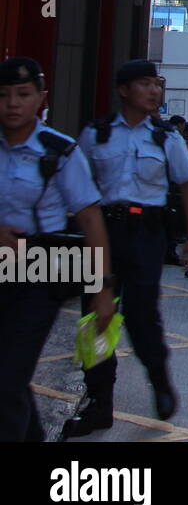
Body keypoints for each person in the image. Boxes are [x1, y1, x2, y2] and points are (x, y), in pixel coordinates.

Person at [64, 59, 188, 438]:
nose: (155, 91)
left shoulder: (166, 137)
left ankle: (159, 380)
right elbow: (76, 182)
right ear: (124, 90)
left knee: (143, 316)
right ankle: (98, 404)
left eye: (157, 84)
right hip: (102, 232)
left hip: (146, 234)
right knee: (96, 318)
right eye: (145, 84)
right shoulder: (97, 134)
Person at [0, 57, 114, 442]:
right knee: (8, 380)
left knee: (8, 378)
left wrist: (102, 288)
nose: (12, 103)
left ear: (41, 99)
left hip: (37, 272)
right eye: (3, 95)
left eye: (23, 94)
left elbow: (90, 219)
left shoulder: (59, 151)